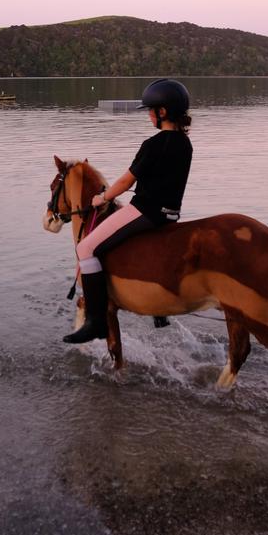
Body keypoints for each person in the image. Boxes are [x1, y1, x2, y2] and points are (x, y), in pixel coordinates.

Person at [62, 78, 193, 344]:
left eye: (150, 110)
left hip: (145, 211)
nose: (148, 115)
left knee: (85, 249)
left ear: (162, 112)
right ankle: (159, 311)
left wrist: (102, 198)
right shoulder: (185, 144)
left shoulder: (153, 144)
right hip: (171, 214)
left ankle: (96, 321)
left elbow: (125, 182)